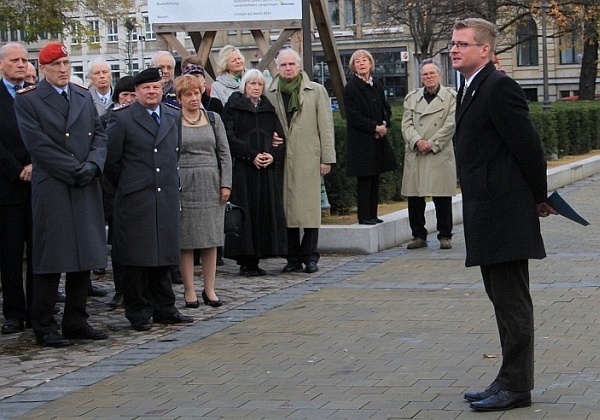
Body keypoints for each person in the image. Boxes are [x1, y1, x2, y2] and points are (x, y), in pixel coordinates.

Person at [450, 18, 557, 411]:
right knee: (501, 301)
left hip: (505, 212)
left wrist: (539, 196)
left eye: (463, 43)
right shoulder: (471, 88)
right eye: (453, 43)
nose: (454, 49)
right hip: (487, 213)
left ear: (485, 50)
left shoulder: (499, 87)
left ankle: (516, 386)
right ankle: (508, 379)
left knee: (513, 303)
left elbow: (529, 147)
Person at [14, 42, 109, 347]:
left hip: (84, 184)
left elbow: (99, 135)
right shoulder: (29, 100)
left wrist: (93, 164)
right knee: (51, 257)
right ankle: (44, 324)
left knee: (83, 254)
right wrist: (74, 169)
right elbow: (39, 145)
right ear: (44, 69)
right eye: (56, 64)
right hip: (54, 185)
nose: (63, 69)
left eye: (67, 63)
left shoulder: (82, 96)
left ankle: (76, 320)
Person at [105, 68, 194, 331]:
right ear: (137, 92)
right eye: (146, 88)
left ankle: (165, 307)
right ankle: (139, 311)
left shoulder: (172, 115)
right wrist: (132, 183)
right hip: (135, 197)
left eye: (156, 87)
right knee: (136, 259)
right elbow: (112, 162)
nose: (152, 92)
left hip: (164, 195)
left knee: (164, 255)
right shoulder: (122, 119)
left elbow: (173, 152)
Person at [266, 48, 336, 274]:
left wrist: (327, 158)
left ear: (299, 67)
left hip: (308, 157)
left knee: (309, 210)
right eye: (283, 65)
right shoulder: (270, 92)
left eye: (291, 64)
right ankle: (292, 257)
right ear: (277, 68)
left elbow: (325, 127)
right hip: (282, 159)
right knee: (287, 210)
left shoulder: (315, 91)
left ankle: (310, 256)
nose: (287, 69)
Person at [173, 74, 232, 308]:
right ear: (179, 98)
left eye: (197, 93)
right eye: (188, 94)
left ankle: (210, 289)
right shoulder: (173, 120)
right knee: (186, 240)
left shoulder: (214, 119)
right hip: (185, 181)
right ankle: (189, 290)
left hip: (211, 182)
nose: (193, 98)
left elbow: (225, 153)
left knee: (211, 239)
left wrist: (225, 183)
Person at [223, 69, 287, 276]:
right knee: (246, 214)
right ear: (245, 86)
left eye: (260, 84)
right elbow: (229, 137)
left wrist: (272, 155)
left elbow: (280, 137)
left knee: (264, 213)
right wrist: (251, 155)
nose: (256, 88)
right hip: (244, 170)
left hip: (265, 171)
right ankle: (245, 260)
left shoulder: (268, 108)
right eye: (252, 84)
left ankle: (259, 257)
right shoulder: (234, 107)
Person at [401, 59, 457, 250]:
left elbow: (451, 124)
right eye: (425, 74)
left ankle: (445, 235)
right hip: (416, 152)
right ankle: (418, 235)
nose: (429, 77)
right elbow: (406, 124)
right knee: (415, 197)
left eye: (432, 73)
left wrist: (432, 144)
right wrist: (417, 141)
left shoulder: (451, 97)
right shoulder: (411, 98)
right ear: (421, 77)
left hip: (438, 152)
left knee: (442, 197)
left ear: (439, 75)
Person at [0, 42, 33, 335]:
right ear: (2, 64)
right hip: (7, 187)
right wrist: (17, 169)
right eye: (14, 60)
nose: (21, 64)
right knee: (10, 254)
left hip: (39, 183)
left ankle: (39, 308)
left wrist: (35, 164)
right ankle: (13, 311)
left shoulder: (36, 94)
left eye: (24, 59)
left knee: (39, 251)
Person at [344, 49, 397, 225]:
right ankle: (364, 216)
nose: (361, 63)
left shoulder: (377, 85)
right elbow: (353, 116)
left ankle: (373, 214)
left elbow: (386, 108)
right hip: (362, 141)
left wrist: (383, 124)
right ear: (353, 66)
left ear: (370, 63)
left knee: (375, 177)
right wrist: (373, 127)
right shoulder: (351, 87)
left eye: (364, 60)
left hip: (378, 139)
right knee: (365, 179)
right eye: (357, 61)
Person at [99, 75, 136, 308]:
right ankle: (121, 289)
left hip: (138, 190)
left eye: (134, 95)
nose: (130, 100)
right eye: (125, 95)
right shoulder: (106, 121)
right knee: (119, 245)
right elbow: (108, 160)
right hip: (114, 189)